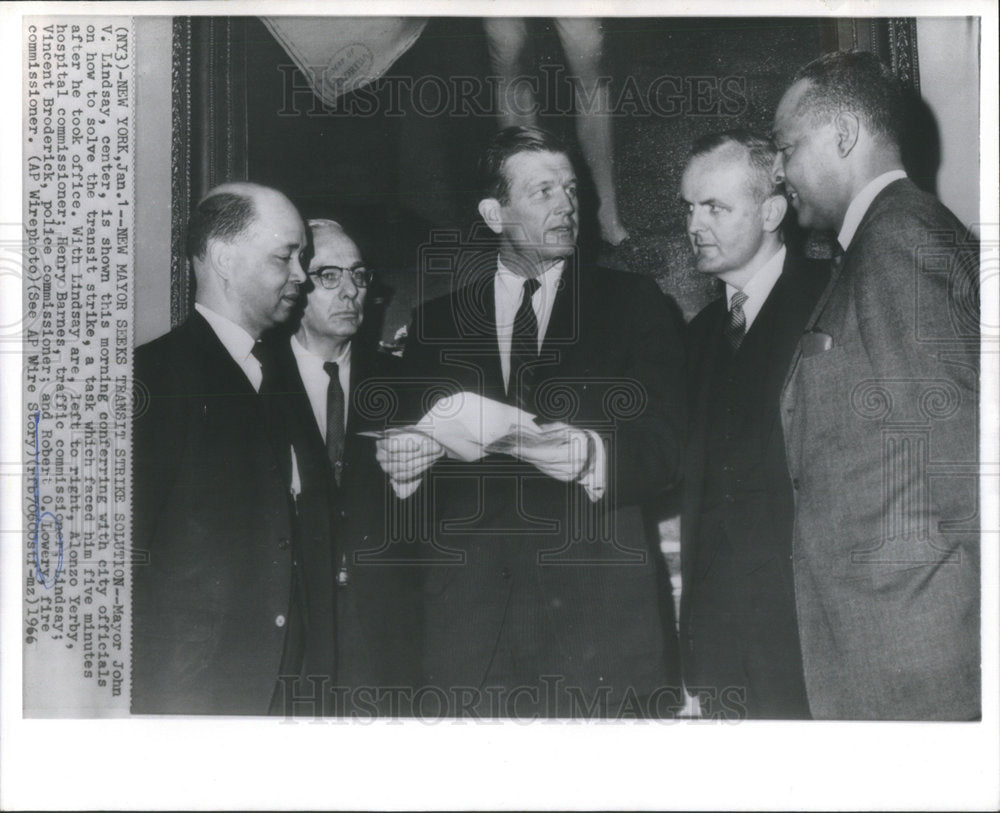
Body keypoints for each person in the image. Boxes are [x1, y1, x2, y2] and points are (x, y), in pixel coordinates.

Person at [378, 126, 686, 718]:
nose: (566, 205)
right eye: (543, 191)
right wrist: (403, 461)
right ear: (495, 214)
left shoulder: (633, 303)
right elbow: (411, 493)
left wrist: (591, 455)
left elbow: (668, 446)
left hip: (601, 635)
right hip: (472, 637)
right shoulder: (435, 324)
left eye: (570, 190)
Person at [771, 51, 979, 720]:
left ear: (843, 136)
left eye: (787, 148)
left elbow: (965, 461)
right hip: (894, 648)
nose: (778, 171)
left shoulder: (897, 241)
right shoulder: (881, 240)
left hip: (920, 660)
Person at [131, 182, 336, 715]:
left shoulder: (280, 376)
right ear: (224, 259)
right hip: (197, 699)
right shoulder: (151, 379)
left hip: (291, 694)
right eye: (284, 257)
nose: (301, 275)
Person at [678, 130, 829, 719]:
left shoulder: (831, 299)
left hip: (811, 634)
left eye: (715, 207)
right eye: (690, 207)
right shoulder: (698, 336)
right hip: (722, 643)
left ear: (770, 213)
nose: (694, 224)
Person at [273, 219, 421, 714]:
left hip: (383, 636)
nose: (351, 291)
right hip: (289, 633)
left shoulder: (406, 385)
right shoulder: (256, 379)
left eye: (358, 275)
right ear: (295, 283)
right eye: (329, 276)